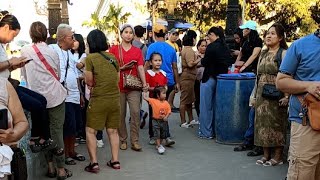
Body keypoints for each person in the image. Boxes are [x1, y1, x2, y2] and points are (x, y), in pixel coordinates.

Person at [20, 21, 71, 179]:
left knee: (44, 135)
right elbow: (57, 73)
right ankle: (61, 169)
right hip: (55, 97)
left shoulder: (24, 50)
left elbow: (24, 76)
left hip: (36, 100)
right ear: (46, 34)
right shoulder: (52, 52)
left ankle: (50, 167)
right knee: (57, 133)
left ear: (30, 34)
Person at [0, 11, 55, 154]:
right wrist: (9, 62)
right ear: (6, 27)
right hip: (5, 88)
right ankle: (35, 139)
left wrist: (13, 65)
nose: (12, 40)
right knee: (36, 105)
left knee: (41, 100)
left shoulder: (1, 45)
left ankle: (42, 138)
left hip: (8, 84)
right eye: (13, 35)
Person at [276, 28, 320, 179]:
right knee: (302, 174)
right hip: (306, 122)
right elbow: (281, 82)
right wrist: (308, 86)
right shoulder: (300, 45)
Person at [251, 23, 289, 166]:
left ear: (280, 37)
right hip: (262, 93)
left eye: (273, 33)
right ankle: (266, 155)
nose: (269, 36)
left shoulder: (284, 53)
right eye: (268, 33)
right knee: (261, 124)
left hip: (277, 92)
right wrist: (254, 96)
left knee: (276, 124)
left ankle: (278, 156)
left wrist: (286, 96)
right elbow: (258, 75)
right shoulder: (263, 53)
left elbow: (287, 75)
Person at [84, 29, 121, 173]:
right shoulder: (113, 57)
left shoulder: (90, 58)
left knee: (91, 131)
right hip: (114, 98)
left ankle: (94, 163)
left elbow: (89, 81)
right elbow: (116, 79)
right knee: (112, 130)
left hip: (99, 99)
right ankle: (115, 161)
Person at [49, 24, 85, 167]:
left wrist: (80, 94)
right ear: (64, 38)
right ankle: (63, 154)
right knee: (66, 127)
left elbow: (76, 75)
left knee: (75, 125)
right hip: (63, 95)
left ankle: (71, 151)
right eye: (71, 37)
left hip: (74, 94)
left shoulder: (70, 53)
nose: (74, 39)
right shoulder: (53, 50)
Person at [109, 24, 147, 151]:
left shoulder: (137, 51)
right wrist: (122, 68)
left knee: (136, 113)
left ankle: (135, 140)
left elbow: (141, 67)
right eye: (126, 32)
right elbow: (110, 68)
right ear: (121, 34)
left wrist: (145, 84)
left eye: (131, 32)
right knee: (120, 115)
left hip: (134, 86)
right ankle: (123, 139)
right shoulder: (114, 49)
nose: (128, 34)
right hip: (118, 86)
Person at [145, 24, 178, 146]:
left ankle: (154, 136)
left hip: (156, 84)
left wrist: (142, 80)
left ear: (153, 34)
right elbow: (174, 67)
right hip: (168, 83)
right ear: (166, 35)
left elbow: (147, 64)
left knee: (154, 110)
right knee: (164, 109)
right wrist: (177, 82)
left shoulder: (151, 47)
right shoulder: (171, 48)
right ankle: (165, 136)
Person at [199, 26, 233, 139]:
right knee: (216, 105)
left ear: (215, 35)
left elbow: (205, 62)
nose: (209, 37)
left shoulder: (212, 47)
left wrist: (201, 59)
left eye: (210, 35)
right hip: (221, 79)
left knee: (205, 106)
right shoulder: (226, 47)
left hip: (209, 77)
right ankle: (216, 130)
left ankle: (206, 132)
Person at [145, 52, 168, 145]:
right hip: (153, 100)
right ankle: (153, 136)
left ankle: (165, 136)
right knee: (153, 118)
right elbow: (147, 87)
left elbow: (166, 85)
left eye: (159, 60)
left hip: (162, 100)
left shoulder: (163, 73)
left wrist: (165, 90)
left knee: (163, 117)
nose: (158, 62)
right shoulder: (149, 73)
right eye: (155, 60)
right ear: (151, 62)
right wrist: (156, 89)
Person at [179, 30, 199, 128]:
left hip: (187, 77)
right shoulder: (190, 50)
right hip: (188, 77)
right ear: (193, 39)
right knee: (184, 100)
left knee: (189, 100)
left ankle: (190, 119)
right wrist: (199, 59)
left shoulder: (184, 50)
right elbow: (190, 64)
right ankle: (183, 121)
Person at [143, 86, 171, 154]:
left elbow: (169, 111)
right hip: (155, 120)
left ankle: (159, 144)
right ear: (158, 95)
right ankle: (158, 145)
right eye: (163, 93)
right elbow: (145, 98)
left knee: (162, 134)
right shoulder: (153, 101)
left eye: (165, 93)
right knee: (157, 133)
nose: (165, 95)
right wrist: (145, 91)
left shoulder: (166, 103)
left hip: (163, 121)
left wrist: (166, 117)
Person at [72, 33, 87, 145]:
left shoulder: (84, 55)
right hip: (72, 83)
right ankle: (76, 133)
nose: (73, 42)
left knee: (82, 109)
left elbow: (79, 66)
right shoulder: (69, 53)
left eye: (75, 40)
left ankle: (82, 133)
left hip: (81, 83)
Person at [132, 25, 148, 130]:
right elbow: (145, 64)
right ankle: (139, 113)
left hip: (128, 74)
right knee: (137, 97)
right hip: (139, 74)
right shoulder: (145, 47)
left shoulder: (129, 44)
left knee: (129, 98)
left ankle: (138, 114)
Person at [166, 28, 180, 111]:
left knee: (174, 87)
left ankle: (171, 103)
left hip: (175, 67)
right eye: (173, 34)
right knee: (172, 87)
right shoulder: (167, 44)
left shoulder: (176, 45)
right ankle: (169, 104)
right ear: (169, 35)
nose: (174, 37)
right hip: (170, 68)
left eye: (176, 35)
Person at [194, 39, 207, 120]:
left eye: (205, 46)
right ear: (198, 46)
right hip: (196, 79)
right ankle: (199, 115)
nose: (204, 48)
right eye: (202, 46)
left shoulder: (208, 55)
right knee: (197, 98)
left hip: (205, 79)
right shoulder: (195, 54)